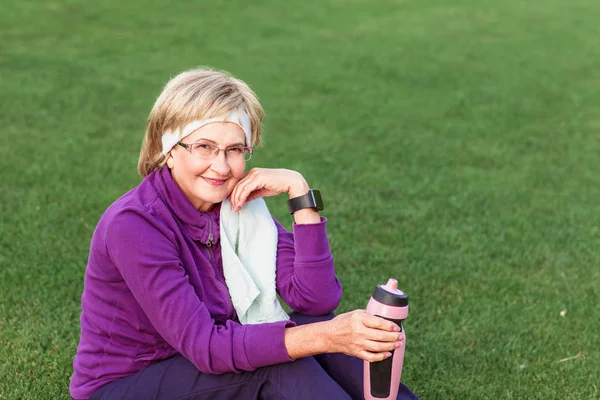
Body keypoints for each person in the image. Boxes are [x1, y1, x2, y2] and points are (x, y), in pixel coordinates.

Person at [69, 68, 418, 400]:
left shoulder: (240, 207)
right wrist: (327, 337)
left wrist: (300, 195)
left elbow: (316, 301)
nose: (221, 167)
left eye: (235, 150)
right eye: (204, 146)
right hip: (127, 383)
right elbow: (206, 346)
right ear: (170, 150)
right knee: (281, 366)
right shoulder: (134, 224)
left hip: (194, 365)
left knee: (313, 326)